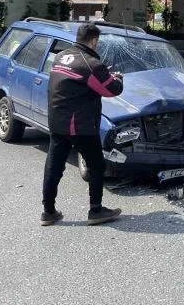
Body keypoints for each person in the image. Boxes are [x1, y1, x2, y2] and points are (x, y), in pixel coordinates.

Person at [42, 23, 124, 226]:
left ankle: (48, 212)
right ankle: (96, 210)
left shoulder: (61, 57)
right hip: (79, 125)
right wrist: (117, 78)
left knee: (54, 167)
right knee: (97, 166)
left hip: (57, 121)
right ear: (94, 40)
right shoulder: (90, 64)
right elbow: (111, 90)